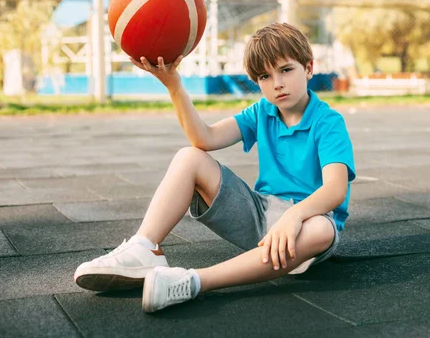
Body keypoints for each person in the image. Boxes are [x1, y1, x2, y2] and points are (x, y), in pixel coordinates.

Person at [73, 22, 356, 313]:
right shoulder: (261, 111)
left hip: (306, 224)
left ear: (309, 68)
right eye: (264, 76)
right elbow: (204, 138)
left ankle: (191, 281)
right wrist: (174, 87)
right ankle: (144, 247)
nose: (277, 83)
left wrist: (294, 216)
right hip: (261, 215)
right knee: (189, 157)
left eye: (286, 70)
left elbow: (335, 189)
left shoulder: (328, 122)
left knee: (323, 229)